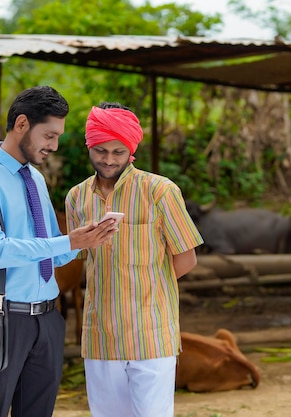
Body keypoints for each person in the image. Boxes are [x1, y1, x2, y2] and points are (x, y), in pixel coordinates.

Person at [0, 86, 118, 417]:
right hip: (2, 316)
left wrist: (88, 238)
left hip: (47, 318)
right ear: (22, 124)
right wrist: (68, 242)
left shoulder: (36, 180)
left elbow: (53, 254)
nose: (53, 146)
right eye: (49, 135)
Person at [64, 102, 204, 417]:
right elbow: (84, 258)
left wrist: (146, 286)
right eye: (100, 150)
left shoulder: (160, 191)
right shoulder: (76, 198)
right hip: (100, 337)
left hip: (151, 334)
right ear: (89, 146)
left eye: (118, 152)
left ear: (131, 150)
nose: (108, 159)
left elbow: (186, 259)